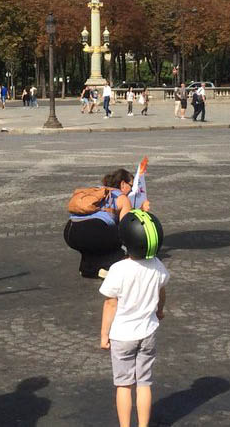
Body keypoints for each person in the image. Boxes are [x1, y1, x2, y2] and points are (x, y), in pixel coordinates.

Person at [100, 212, 168, 427]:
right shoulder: (157, 265)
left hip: (122, 336)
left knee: (124, 385)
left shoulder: (118, 269)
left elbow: (111, 304)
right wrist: (160, 310)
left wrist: (104, 335)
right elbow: (161, 290)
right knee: (144, 383)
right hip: (147, 332)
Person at [64, 169, 135, 278]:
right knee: (119, 236)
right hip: (94, 232)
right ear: (123, 184)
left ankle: (87, 268)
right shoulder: (122, 198)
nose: (132, 190)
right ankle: (108, 266)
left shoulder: (97, 190)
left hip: (70, 232)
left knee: (90, 241)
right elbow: (125, 227)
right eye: (131, 186)